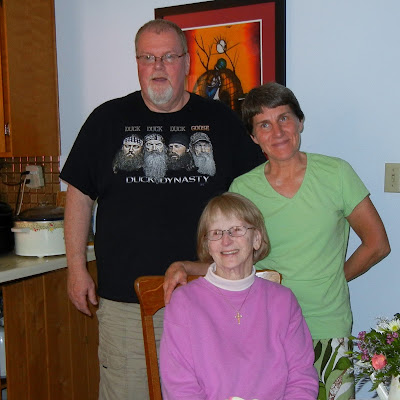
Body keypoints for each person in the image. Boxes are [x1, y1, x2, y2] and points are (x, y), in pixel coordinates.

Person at [60, 19, 264, 400]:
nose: (158, 66)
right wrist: (76, 269)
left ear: (186, 62)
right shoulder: (106, 120)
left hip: (210, 297)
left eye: (168, 56)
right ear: (137, 62)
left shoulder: (220, 120)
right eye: (148, 57)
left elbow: (255, 196)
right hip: (125, 304)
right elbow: (79, 196)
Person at [164, 82, 391, 399]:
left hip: (327, 327)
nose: (278, 131)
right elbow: (230, 257)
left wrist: (334, 278)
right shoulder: (243, 189)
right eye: (264, 125)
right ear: (254, 136)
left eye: (284, 118)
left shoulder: (337, 174)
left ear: (300, 122)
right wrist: (184, 265)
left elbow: (377, 243)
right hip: (265, 330)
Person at [160, 192, 319, 399]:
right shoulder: (184, 302)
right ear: (208, 245)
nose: (226, 241)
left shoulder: (283, 301)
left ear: (257, 239)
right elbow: (179, 387)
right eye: (216, 233)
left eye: (236, 230)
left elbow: (302, 378)